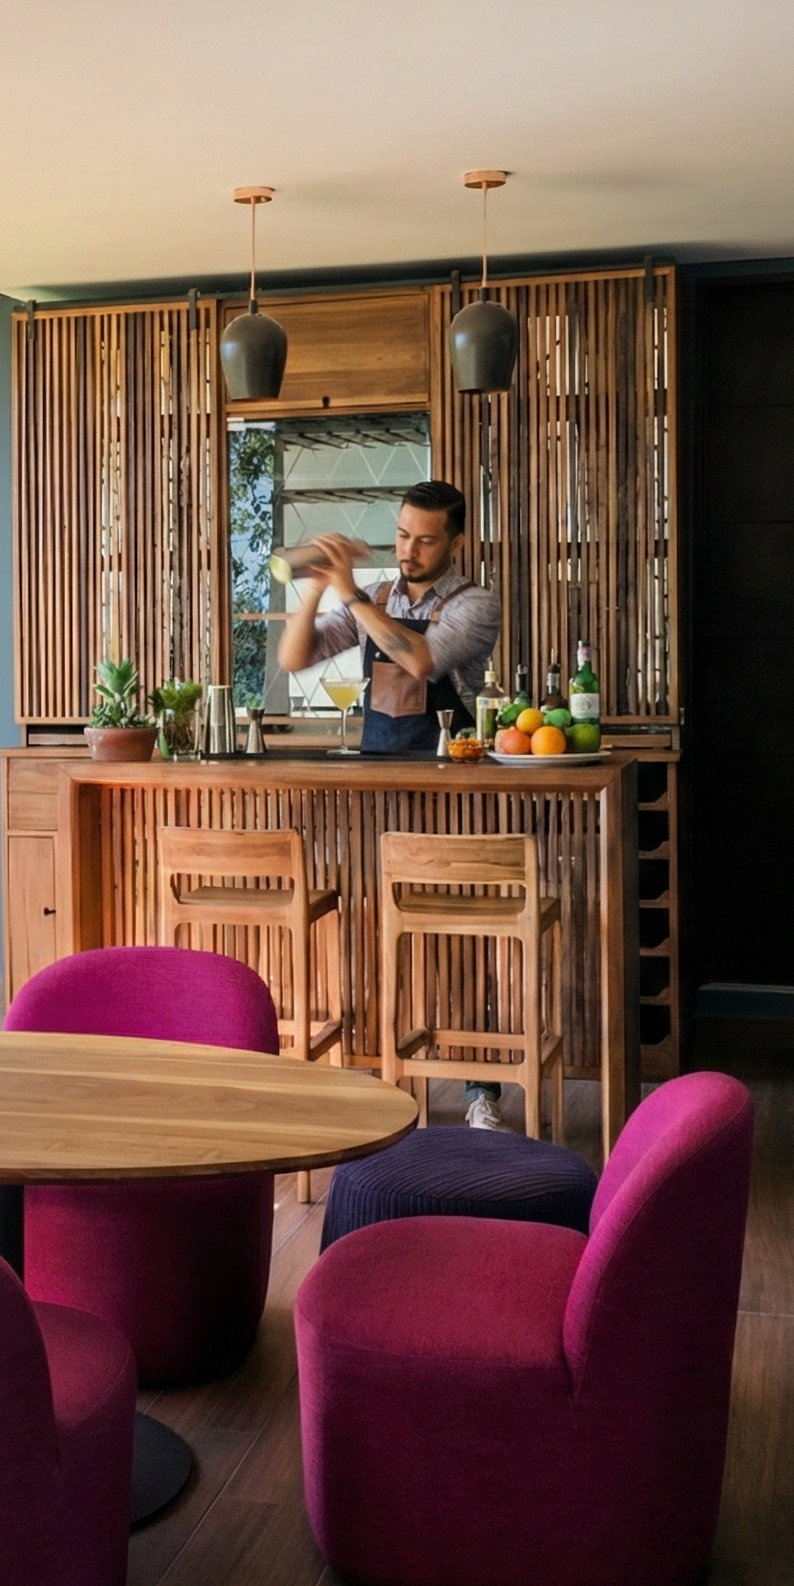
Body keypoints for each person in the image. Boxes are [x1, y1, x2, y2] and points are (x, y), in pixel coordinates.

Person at [275, 478, 508, 1128]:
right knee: (376, 931)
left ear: (455, 543)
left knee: (460, 937)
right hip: (377, 789)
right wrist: (317, 586)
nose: (408, 550)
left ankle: (479, 1092)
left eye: (425, 540)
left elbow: (423, 660)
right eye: (403, 535)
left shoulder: (475, 603)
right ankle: (384, 1076)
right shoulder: (375, 597)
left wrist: (352, 595)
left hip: (453, 792)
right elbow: (295, 656)